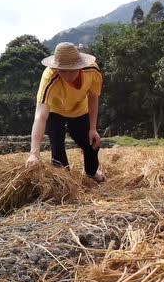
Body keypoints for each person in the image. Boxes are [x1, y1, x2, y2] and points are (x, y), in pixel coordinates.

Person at [26, 42, 106, 182]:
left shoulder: (92, 71)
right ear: (56, 68)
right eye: (63, 70)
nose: (67, 76)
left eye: (72, 70)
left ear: (80, 66)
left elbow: (93, 97)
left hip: (79, 109)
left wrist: (93, 128)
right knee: (57, 147)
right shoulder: (49, 78)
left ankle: (92, 173)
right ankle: (65, 180)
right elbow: (40, 116)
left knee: (92, 144)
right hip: (54, 111)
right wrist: (34, 153)